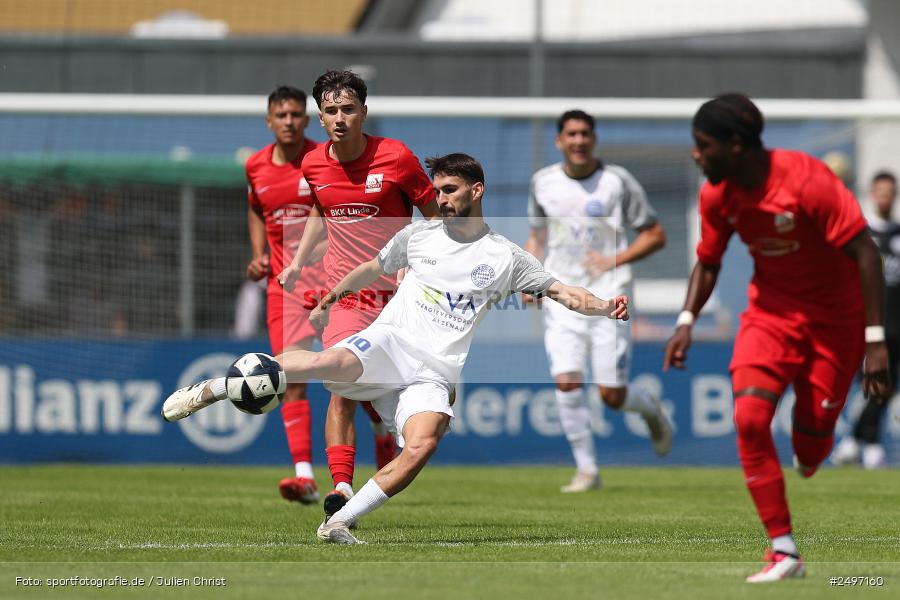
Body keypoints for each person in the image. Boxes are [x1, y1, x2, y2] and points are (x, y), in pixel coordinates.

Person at [161, 153, 630, 544]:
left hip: (435, 370)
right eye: (437, 190)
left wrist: (606, 306)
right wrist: (330, 298)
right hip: (390, 341)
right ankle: (218, 388)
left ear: (477, 190)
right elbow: (371, 267)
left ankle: (340, 521)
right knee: (332, 362)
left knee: (424, 442)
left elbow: (565, 291)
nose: (440, 199)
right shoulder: (419, 236)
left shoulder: (506, 257)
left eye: (449, 190)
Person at [663, 93, 892, 583]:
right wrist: (685, 320)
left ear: (737, 146)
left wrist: (875, 341)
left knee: (812, 445)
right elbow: (709, 259)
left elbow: (867, 255)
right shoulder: (717, 194)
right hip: (769, 317)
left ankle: (814, 442)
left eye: (703, 146)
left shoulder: (807, 179)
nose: (695, 155)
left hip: (837, 322)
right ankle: (784, 551)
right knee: (749, 418)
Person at [276, 70, 441, 518]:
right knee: (341, 387)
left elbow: (435, 217)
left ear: (364, 112)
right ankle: (343, 488)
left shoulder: (397, 157)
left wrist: (421, 261)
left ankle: (388, 439)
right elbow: (318, 209)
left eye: (348, 109)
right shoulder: (313, 163)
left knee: (395, 397)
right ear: (321, 117)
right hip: (347, 298)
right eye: (331, 110)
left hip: (400, 299)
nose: (340, 118)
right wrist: (297, 262)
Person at [525, 109, 672, 493]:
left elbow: (655, 234)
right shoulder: (543, 182)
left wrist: (612, 259)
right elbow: (537, 236)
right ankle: (587, 470)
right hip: (562, 296)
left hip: (611, 298)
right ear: (559, 141)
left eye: (585, 134)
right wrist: (528, 276)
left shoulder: (617, 182)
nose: (578, 140)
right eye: (571, 134)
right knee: (567, 383)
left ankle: (650, 408)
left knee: (612, 395)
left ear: (594, 139)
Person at [243, 85, 327, 504]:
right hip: (286, 291)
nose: (289, 121)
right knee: (290, 379)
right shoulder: (256, 166)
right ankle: (305, 476)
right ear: (269, 121)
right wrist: (258, 255)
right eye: (282, 115)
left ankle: (383, 436)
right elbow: (257, 209)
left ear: (306, 121)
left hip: (333, 284)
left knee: (353, 379)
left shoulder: (322, 160)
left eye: (296, 114)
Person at [832, 171, 900, 468]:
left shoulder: (898, 233)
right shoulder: (861, 231)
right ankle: (868, 444)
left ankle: (854, 441)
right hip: (868, 322)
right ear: (873, 193)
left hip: (897, 321)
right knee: (871, 382)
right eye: (881, 190)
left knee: (889, 383)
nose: (885, 195)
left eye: (890, 191)